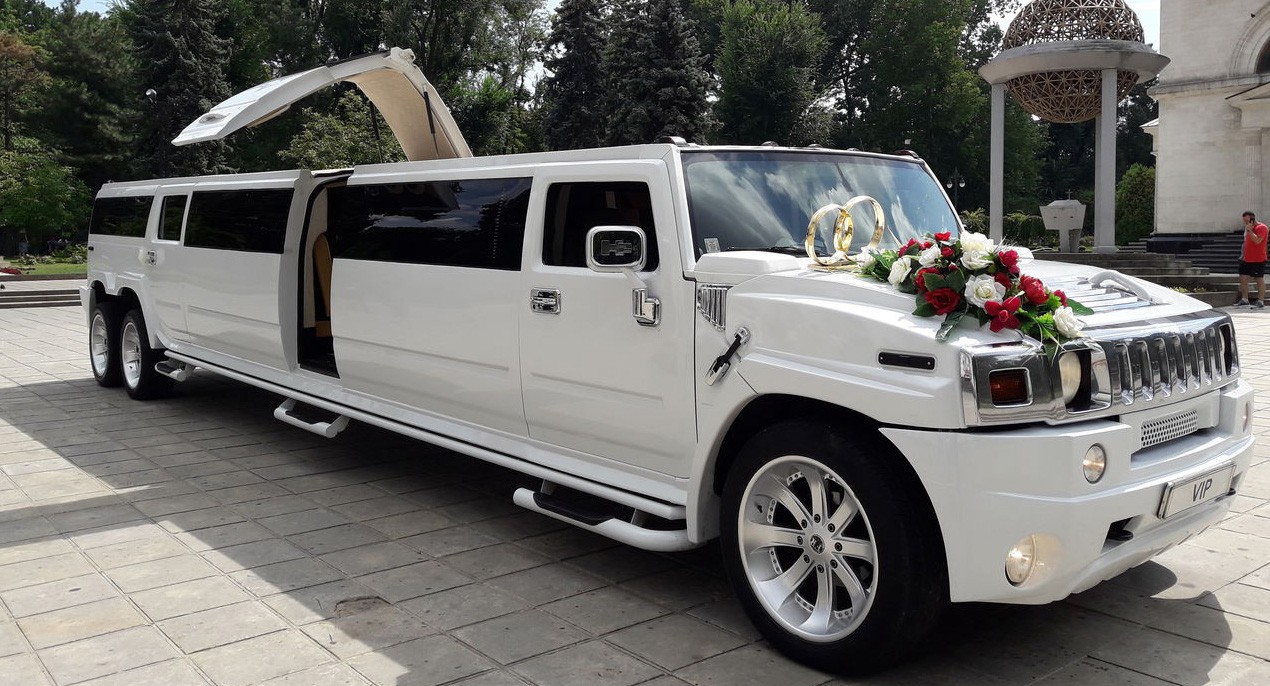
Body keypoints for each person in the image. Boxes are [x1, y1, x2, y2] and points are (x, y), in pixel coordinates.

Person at [1237, 211, 1268, 307]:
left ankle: (1260, 301)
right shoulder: (1248, 228)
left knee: (1258, 278)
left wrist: (1250, 231)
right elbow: (1245, 242)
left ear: (1252, 219)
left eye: (1247, 220)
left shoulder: (1261, 227)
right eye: (1244, 221)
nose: (1245, 223)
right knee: (1243, 277)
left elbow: (1257, 241)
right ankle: (1244, 299)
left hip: (1258, 258)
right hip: (1246, 258)